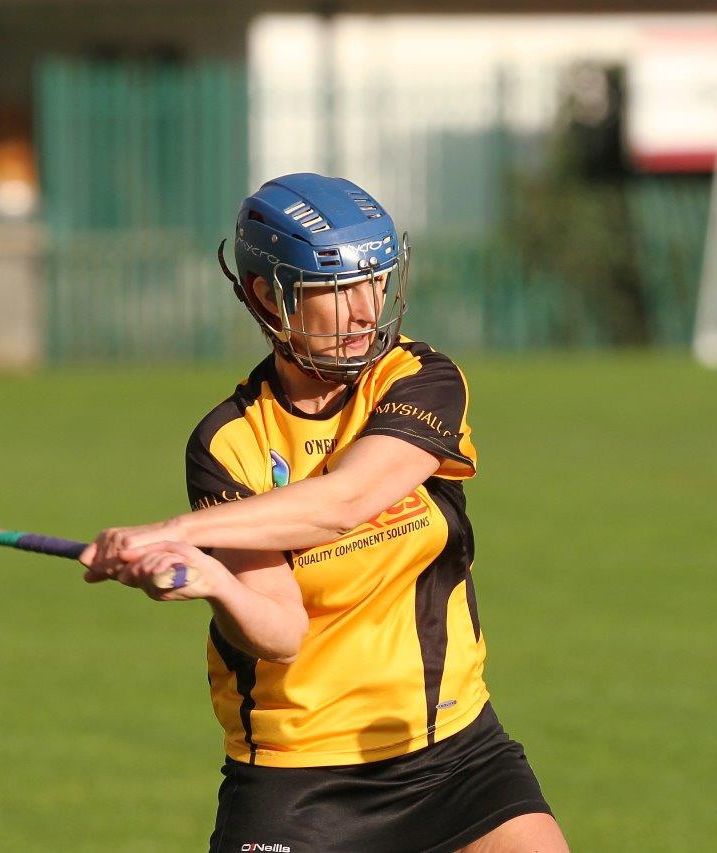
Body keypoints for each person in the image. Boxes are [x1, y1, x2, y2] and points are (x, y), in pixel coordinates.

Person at [80, 173, 568, 852]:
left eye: (375, 283)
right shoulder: (229, 444)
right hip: (302, 782)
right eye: (339, 292)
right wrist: (212, 578)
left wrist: (174, 531)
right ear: (266, 297)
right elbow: (280, 631)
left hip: (457, 753)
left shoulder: (419, 379)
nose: (367, 311)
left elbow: (345, 500)